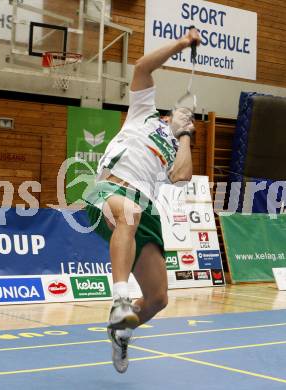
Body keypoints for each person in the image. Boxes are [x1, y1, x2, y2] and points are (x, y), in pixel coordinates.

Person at [84, 28, 201, 373]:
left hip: (144, 207)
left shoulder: (175, 145)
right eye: (177, 116)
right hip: (109, 191)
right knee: (129, 213)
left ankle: (122, 330)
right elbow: (141, 68)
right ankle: (120, 299)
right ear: (165, 113)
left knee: (158, 299)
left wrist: (184, 137)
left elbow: (182, 176)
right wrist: (180, 45)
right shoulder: (143, 113)